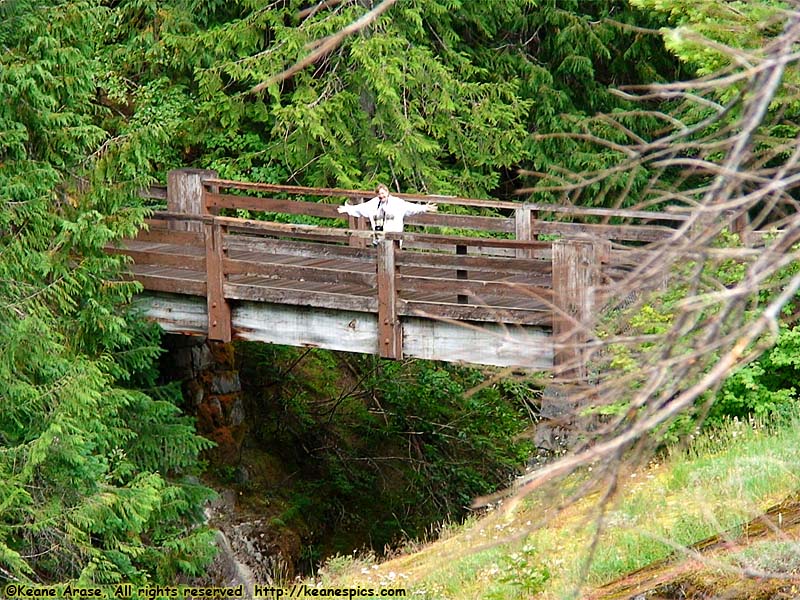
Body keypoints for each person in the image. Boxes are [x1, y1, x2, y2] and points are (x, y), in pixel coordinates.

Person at [338, 184, 437, 244]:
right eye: (379, 194)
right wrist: (348, 209)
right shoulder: (374, 203)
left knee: (394, 261)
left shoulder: (397, 203)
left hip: (394, 238)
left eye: (383, 193)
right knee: (380, 262)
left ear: (387, 192)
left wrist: (424, 208)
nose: (382, 196)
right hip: (379, 238)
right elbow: (361, 208)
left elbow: (410, 207)